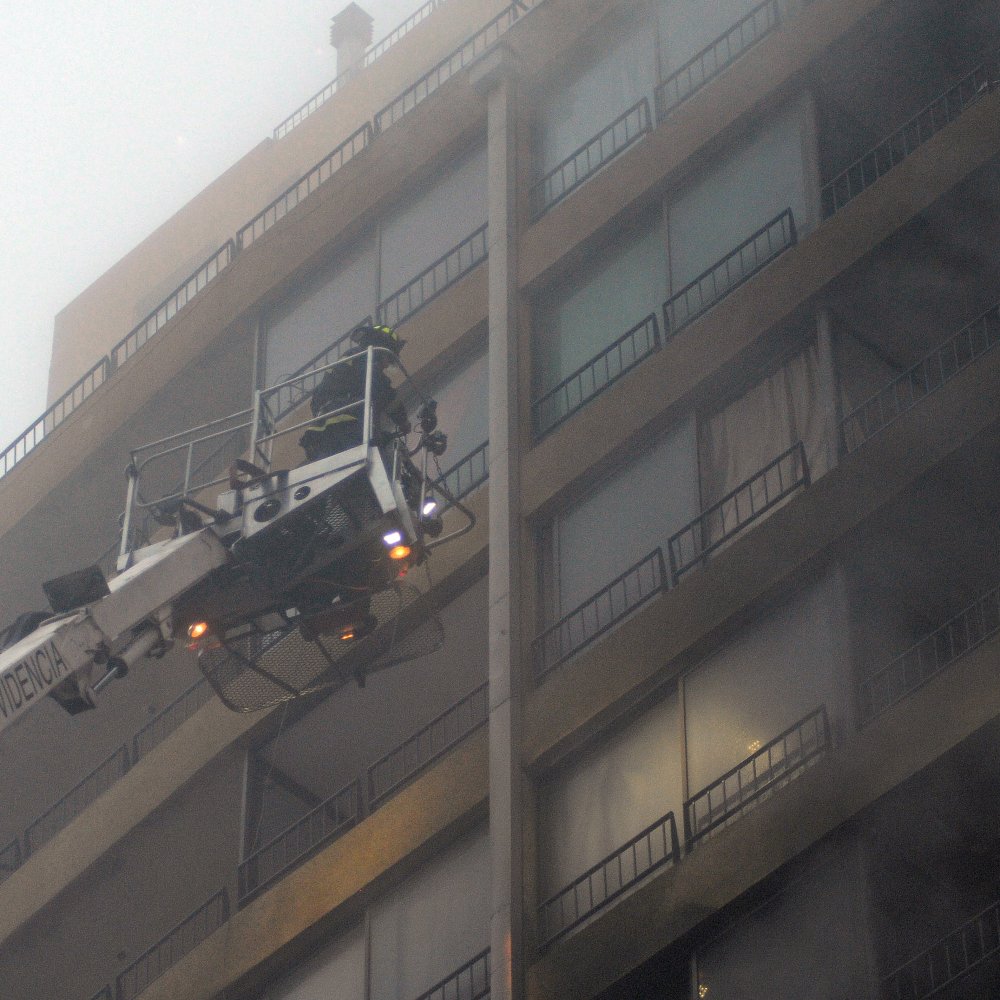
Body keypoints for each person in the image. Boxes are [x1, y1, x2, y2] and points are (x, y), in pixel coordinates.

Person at [299, 324, 404, 462]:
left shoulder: (347, 361)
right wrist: (403, 422)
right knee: (378, 466)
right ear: (379, 348)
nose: (386, 365)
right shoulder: (366, 360)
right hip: (348, 428)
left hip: (322, 432)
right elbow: (384, 393)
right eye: (388, 359)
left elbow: (315, 401)